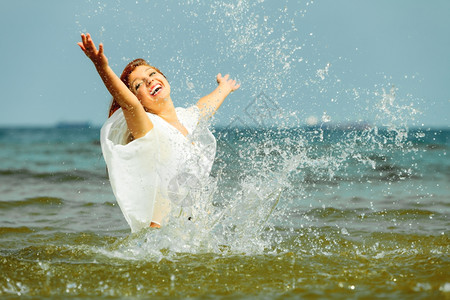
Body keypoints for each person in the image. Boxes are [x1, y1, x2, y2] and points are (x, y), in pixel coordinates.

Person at [78, 33, 240, 232]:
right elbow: (129, 106)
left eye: (151, 74)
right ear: (138, 99)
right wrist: (101, 67)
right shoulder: (148, 127)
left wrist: (224, 88)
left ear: (163, 77)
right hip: (159, 235)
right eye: (138, 85)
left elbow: (204, 107)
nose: (148, 80)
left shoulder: (186, 119)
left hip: (190, 230)